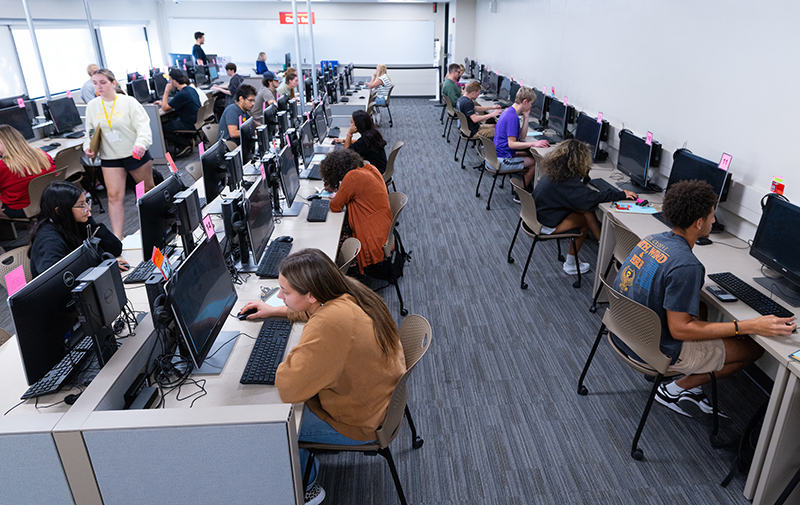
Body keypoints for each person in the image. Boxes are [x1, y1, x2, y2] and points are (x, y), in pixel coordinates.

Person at [612, 180, 796, 418]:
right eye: (711, 215)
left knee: (699, 306)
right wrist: (750, 325)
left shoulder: (652, 238)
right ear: (698, 223)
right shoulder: (687, 265)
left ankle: (691, 381)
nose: (714, 221)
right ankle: (673, 389)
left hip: (625, 330)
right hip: (651, 347)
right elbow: (679, 330)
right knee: (752, 347)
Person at [238, 248, 405, 505]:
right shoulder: (345, 291)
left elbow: (289, 388)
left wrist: (295, 351)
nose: (279, 296)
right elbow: (312, 311)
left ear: (311, 294)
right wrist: (273, 311)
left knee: (272, 423)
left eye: (286, 292)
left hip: (362, 422)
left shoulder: (330, 325)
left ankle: (308, 487)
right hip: (379, 399)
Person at [533, 139, 637, 275]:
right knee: (583, 222)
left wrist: (584, 175)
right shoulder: (567, 183)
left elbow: (582, 195)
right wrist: (621, 194)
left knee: (584, 210)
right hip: (544, 225)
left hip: (538, 216)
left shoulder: (557, 172)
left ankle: (601, 241)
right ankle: (571, 264)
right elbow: (591, 198)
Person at [83, 69, 154, 240]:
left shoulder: (128, 102)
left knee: (148, 192)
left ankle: (157, 225)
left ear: (113, 83)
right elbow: (90, 132)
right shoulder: (92, 106)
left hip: (134, 152)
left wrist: (141, 144)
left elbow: (143, 126)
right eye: (95, 83)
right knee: (114, 196)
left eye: (102, 82)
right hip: (110, 157)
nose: (98, 86)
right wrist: (88, 146)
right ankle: (118, 237)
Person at [28, 181, 127, 278]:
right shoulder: (50, 241)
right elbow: (55, 281)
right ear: (60, 211)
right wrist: (98, 269)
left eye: (86, 203)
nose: (88, 208)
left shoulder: (73, 223)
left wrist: (89, 221)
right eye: (81, 205)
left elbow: (115, 248)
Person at [320, 149, 392, 272]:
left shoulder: (352, 177)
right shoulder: (369, 169)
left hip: (370, 240)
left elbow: (335, 207)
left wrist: (334, 187)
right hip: (381, 230)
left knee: (326, 244)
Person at [493, 86, 549, 199]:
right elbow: (512, 144)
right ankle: (520, 194)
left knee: (529, 154)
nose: (531, 106)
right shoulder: (512, 117)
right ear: (525, 101)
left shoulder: (510, 111)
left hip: (500, 152)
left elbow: (522, 137)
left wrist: (526, 117)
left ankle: (526, 186)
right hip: (502, 158)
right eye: (531, 103)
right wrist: (534, 144)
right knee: (534, 163)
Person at [0, 125, 57, 218]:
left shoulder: (3, 166)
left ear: (5, 144)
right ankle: (33, 227)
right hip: (50, 202)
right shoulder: (42, 154)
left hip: (24, 209)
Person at [156, 69, 201, 158]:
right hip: (195, 121)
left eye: (170, 80)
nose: (169, 82)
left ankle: (185, 143)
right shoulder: (190, 89)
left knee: (162, 129)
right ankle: (186, 141)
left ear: (174, 81)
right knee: (172, 120)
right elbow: (170, 105)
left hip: (188, 124)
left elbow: (165, 108)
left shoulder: (182, 94)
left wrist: (166, 91)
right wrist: (162, 103)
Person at [332, 110, 387, 174]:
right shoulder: (371, 133)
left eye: (352, 123)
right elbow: (357, 141)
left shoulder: (363, 142)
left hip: (376, 174)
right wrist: (343, 140)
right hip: (381, 168)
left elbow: (346, 153)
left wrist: (349, 134)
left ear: (358, 125)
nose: (350, 125)